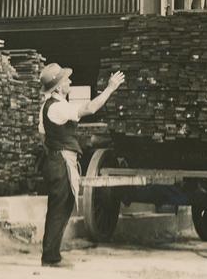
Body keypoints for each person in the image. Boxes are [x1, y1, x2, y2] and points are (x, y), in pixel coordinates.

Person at [38, 63, 125, 267]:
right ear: (58, 88)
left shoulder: (47, 106)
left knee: (59, 207)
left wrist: (55, 148)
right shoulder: (59, 106)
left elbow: (42, 135)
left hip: (55, 159)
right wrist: (111, 88)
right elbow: (91, 108)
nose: (69, 81)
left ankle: (51, 254)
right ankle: (50, 257)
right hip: (60, 162)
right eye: (65, 80)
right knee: (59, 208)